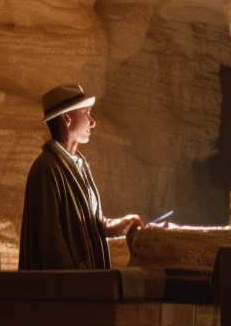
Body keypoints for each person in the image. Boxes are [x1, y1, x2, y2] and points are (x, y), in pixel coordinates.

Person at [18, 84, 144, 270]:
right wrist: (74, 282)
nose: (92, 122)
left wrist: (117, 226)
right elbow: (51, 240)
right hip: (64, 291)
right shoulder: (46, 168)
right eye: (86, 113)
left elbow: (90, 222)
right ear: (67, 118)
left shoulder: (80, 165)